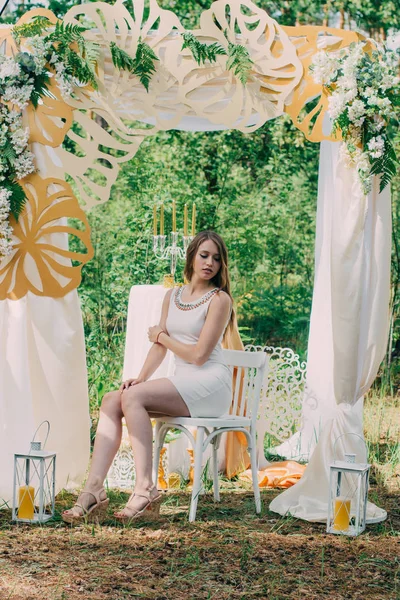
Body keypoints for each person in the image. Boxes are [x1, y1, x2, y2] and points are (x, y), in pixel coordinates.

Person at [62, 230, 234, 524]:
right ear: (192, 256)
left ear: (221, 266)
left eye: (216, 259)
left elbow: (198, 356)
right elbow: (159, 346)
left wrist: (162, 337)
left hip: (210, 383)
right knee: (111, 400)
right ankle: (93, 491)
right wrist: (140, 377)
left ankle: (144, 489)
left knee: (133, 398)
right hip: (183, 382)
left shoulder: (219, 300)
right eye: (204, 255)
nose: (209, 263)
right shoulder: (173, 295)